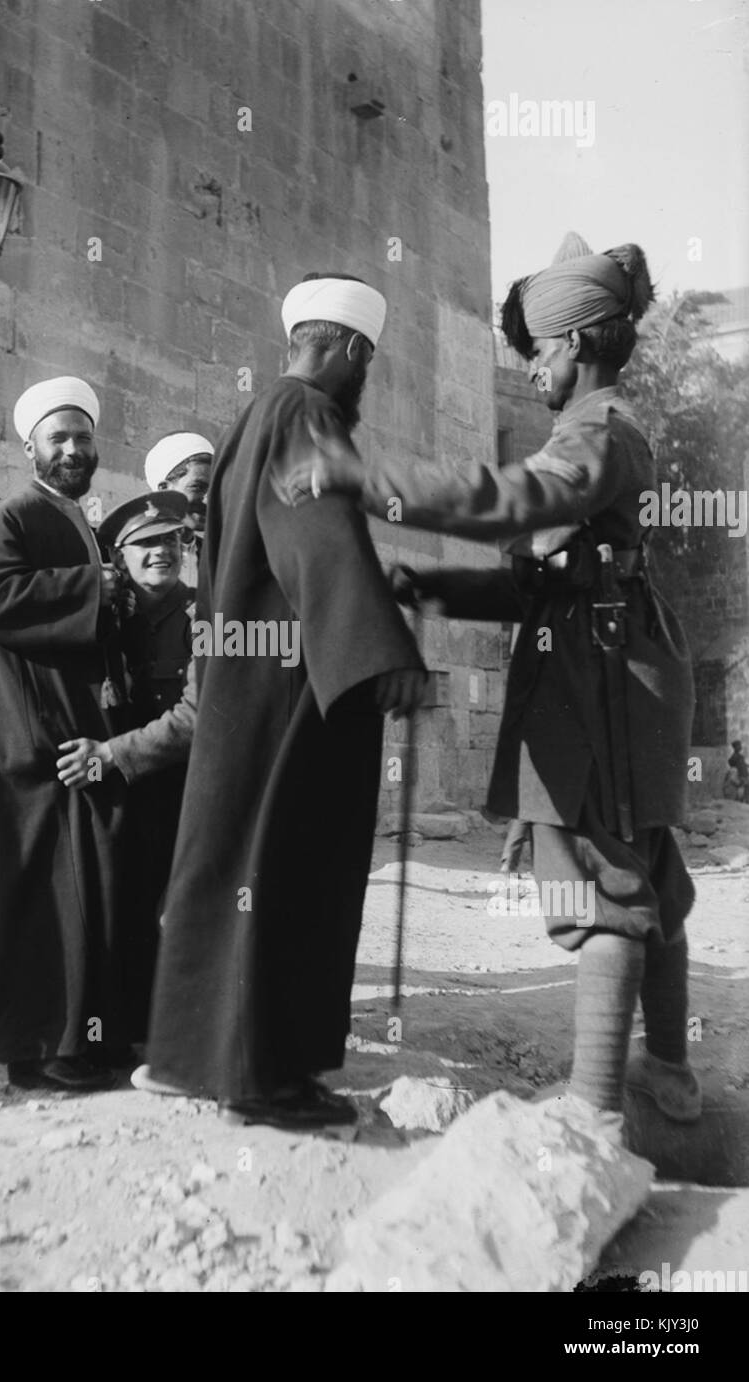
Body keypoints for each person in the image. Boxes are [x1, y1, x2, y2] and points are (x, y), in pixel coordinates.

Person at [303, 235, 701, 1135]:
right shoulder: (600, 430)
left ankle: (594, 1114)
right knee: (649, 871)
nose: (529, 371)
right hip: (619, 663)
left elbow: (515, 503)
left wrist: (371, 482)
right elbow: (547, 579)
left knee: (589, 884)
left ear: (586, 343)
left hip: (594, 687)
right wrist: (437, 586)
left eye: (543, 350)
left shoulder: (596, 432)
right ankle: (667, 1075)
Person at [140, 273, 427, 1130]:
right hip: (297, 692)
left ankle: (198, 1061)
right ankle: (265, 1081)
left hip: (247, 682)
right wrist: (385, 657)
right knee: (290, 869)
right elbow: (318, 543)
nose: (364, 378)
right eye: (365, 360)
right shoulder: (307, 414)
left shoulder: (250, 420)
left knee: (234, 864)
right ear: (346, 349)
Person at [0, 377, 134, 1093]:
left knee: (83, 886)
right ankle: (38, 1052)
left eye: (82, 438)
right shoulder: (13, 514)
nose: (71, 449)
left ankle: (83, 1038)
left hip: (74, 730)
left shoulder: (72, 518)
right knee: (42, 894)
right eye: (57, 438)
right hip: (35, 737)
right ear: (27, 446)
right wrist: (91, 586)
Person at [57, 491, 195, 1039]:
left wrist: (111, 754)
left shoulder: (204, 614)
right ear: (120, 557)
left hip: (192, 788)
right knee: (128, 905)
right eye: (145, 544)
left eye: (170, 541)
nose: (161, 552)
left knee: (187, 910)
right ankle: (136, 1023)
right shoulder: (112, 617)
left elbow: (199, 717)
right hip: (131, 792)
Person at [144, 432, 214, 587]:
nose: (209, 499)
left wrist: (217, 613)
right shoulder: (139, 552)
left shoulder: (214, 557)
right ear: (164, 489)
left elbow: (219, 610)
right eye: (197, 487)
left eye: (214, 489)